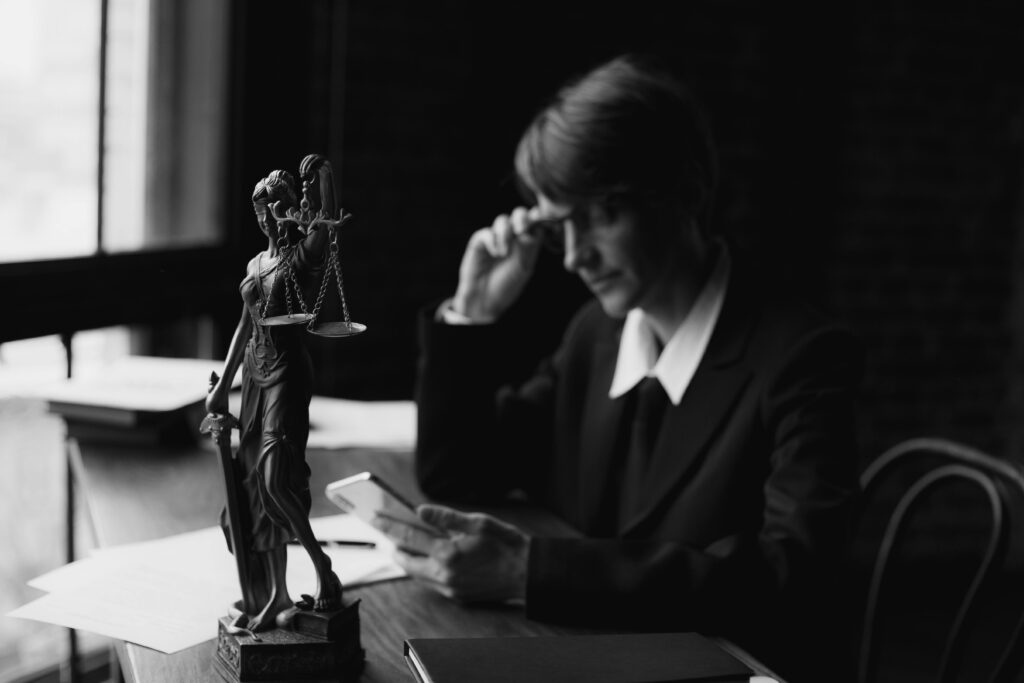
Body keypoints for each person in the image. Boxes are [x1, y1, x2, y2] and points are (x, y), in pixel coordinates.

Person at [381, 54, 862, 679]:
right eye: (560, 226)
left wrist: (532, 571)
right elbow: (462, 470)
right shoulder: (597, 334)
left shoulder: (801, 357)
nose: (577, 256)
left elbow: (787, 580)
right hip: (586, 654)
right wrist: (471, 315)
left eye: (601, 214)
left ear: (684, 191)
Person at [205, 155, 344, 632]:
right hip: (253, 375)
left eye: (273, 208)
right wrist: (222, 386)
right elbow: (244, 326)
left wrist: (322, 179)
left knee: (274, 478)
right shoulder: (256, 263)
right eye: (259, 211)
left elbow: (326, 232)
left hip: (286, 373)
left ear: (287, 208)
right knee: (252, 490)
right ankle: (276, 594)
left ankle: (323, 570)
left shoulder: (298, 256)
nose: (265, 218)